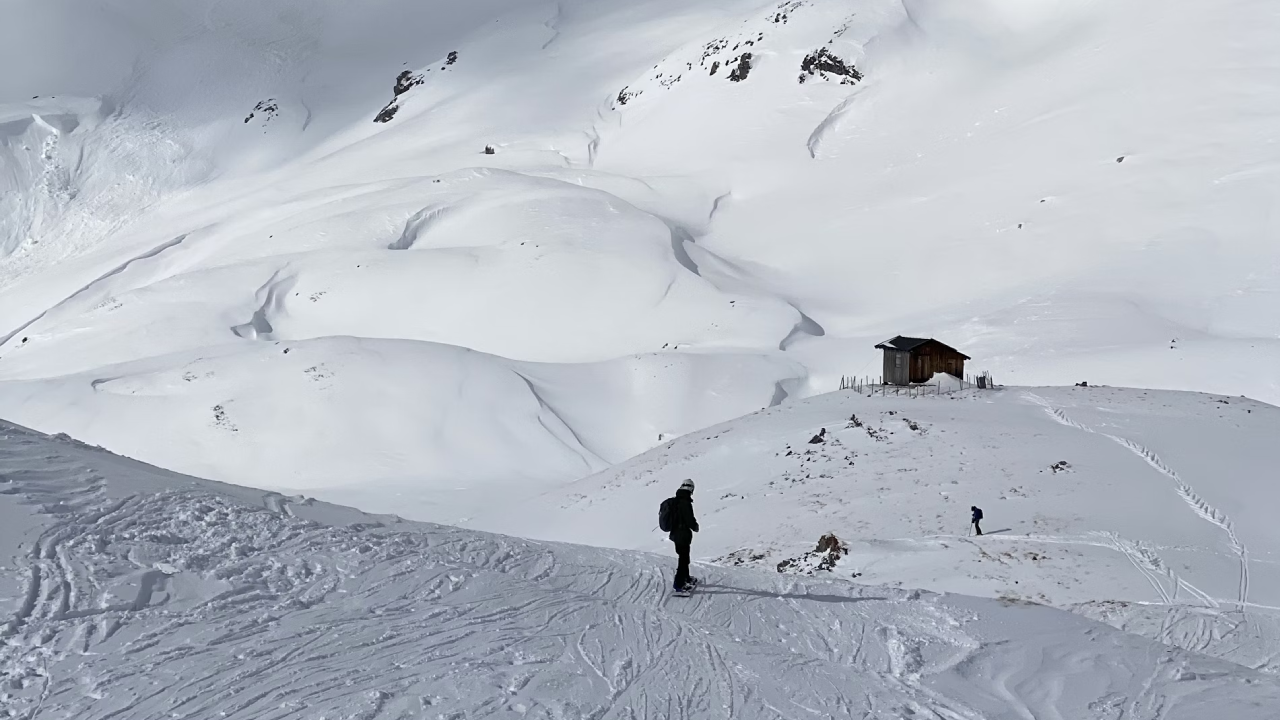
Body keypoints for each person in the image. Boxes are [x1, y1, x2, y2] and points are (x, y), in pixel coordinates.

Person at [668, 479, 700, 591]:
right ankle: (679, 584)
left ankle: (686, 578)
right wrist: (695, 526)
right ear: (691, 489)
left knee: (684, 557)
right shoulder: (685, 502)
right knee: (683, 559)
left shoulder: (676, 501)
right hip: (682, 534)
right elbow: (689, 519)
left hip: (676, 533)